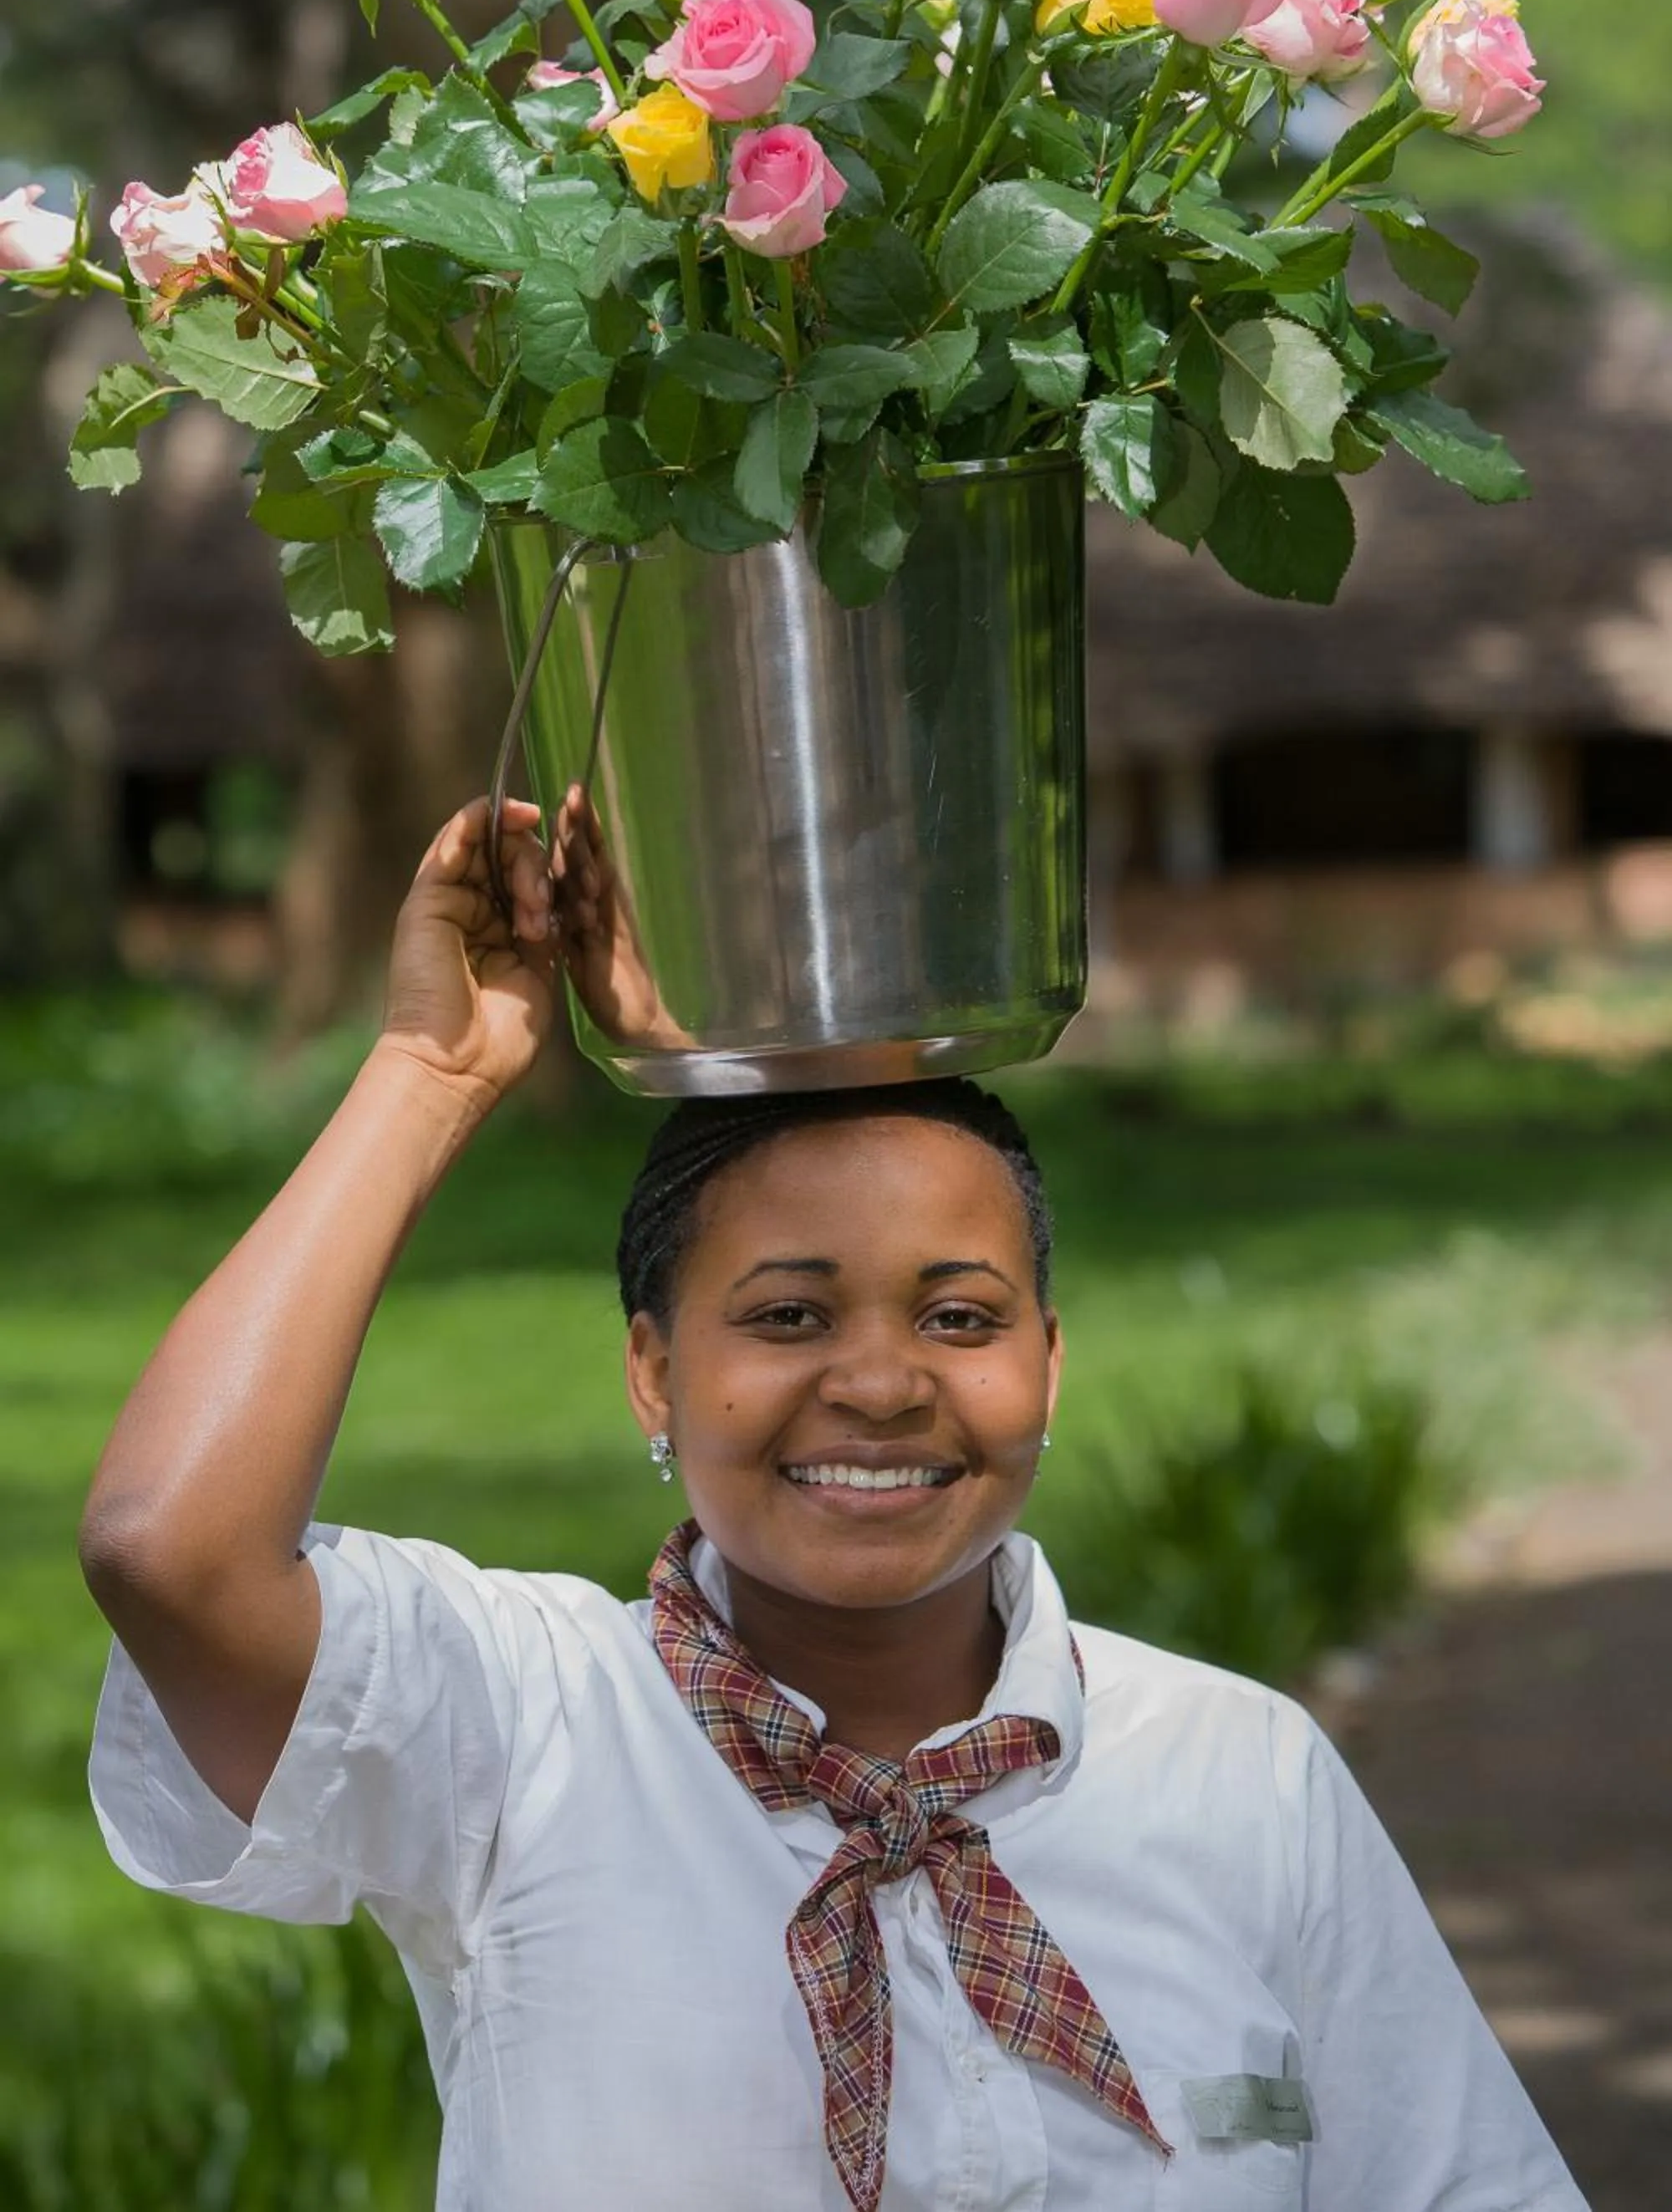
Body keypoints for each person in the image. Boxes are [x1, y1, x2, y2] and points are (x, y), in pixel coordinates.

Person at [80, 796, 1588, 2212]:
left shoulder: (1240, 1780)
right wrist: (433, 1076)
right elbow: (172, 1551)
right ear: (654, 1374)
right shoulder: (520, 1729)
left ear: (1050, 1365)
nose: (879, 1383)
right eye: (789, 1317)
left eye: (960, 1317)